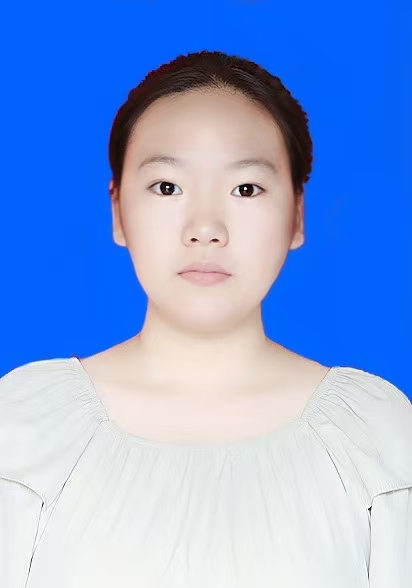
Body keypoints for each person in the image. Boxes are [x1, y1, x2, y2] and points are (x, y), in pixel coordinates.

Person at [0, 50, 411, 588]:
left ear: (297, 215)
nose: (205, 228)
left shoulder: (373, 437)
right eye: (167, 187)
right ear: (118, 211)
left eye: (246, 189)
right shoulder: (26, 427)